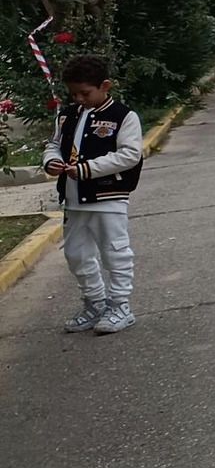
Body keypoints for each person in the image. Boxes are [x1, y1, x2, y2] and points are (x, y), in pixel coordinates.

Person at [42, 55, 145, 335]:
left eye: (85, 93)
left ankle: (120, 305)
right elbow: (53, 145)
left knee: (115, 251)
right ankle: (95, 302)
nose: (79, 98)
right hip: (73, 198)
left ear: (105, 86)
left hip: (108, 196)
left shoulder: (123, 116)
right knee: (76, 253)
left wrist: (88, 169)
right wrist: (51, 161)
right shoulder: (67, 115)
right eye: (74, 93)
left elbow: (130, 155)